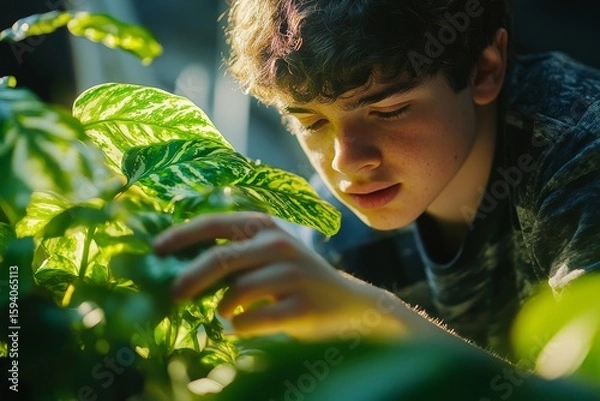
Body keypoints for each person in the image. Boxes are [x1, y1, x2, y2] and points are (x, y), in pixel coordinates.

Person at [153, 0, 600, 362]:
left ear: (485, 69)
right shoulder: (334, 234)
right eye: (312, 123)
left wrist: (369, 315)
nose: (347, 162)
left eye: (388, 111)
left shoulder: (581, 153)